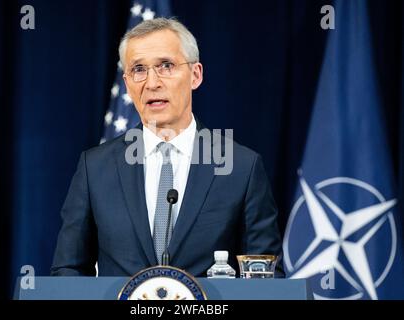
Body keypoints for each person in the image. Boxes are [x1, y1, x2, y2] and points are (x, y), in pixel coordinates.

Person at [51, 18, 284, 277]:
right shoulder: (94, 168)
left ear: (195, 75)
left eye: (166, 66)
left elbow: (265, 277)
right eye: (139, 69)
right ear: (127, 83)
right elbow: (68, 270)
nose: (152, 83)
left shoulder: (241, 167)